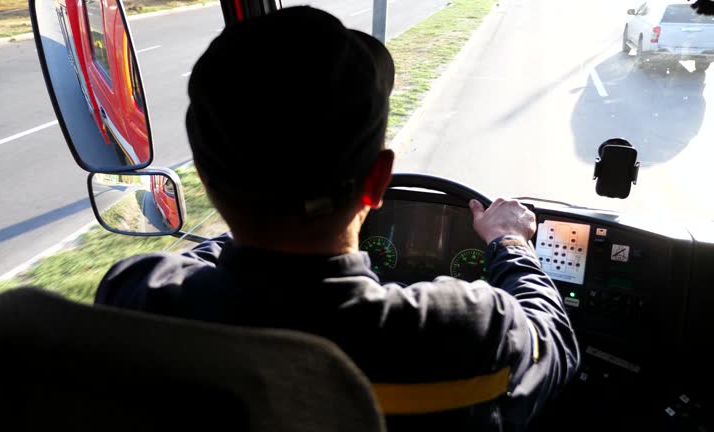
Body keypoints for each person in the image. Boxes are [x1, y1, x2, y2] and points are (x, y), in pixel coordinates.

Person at [95, 6, 579, 431]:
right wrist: (512, 242)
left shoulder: (136, 298)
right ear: (378, 180)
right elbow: (555, 345)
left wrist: (254, 213)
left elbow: (211, 258)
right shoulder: (469, 334)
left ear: (203, 178)